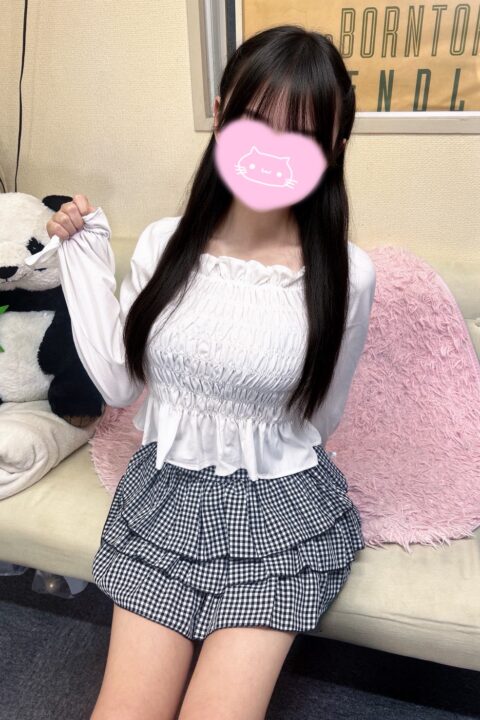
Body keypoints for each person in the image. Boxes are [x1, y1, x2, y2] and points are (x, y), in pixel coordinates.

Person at [40, 24, 376, 720]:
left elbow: (321, 417)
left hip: (279, 511)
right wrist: (84, 261)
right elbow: (119, 386)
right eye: (254, 123)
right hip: (164, 497)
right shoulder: (163, 244)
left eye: (302, 135)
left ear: (335, 146)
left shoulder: (348, 275)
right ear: (221, 116)